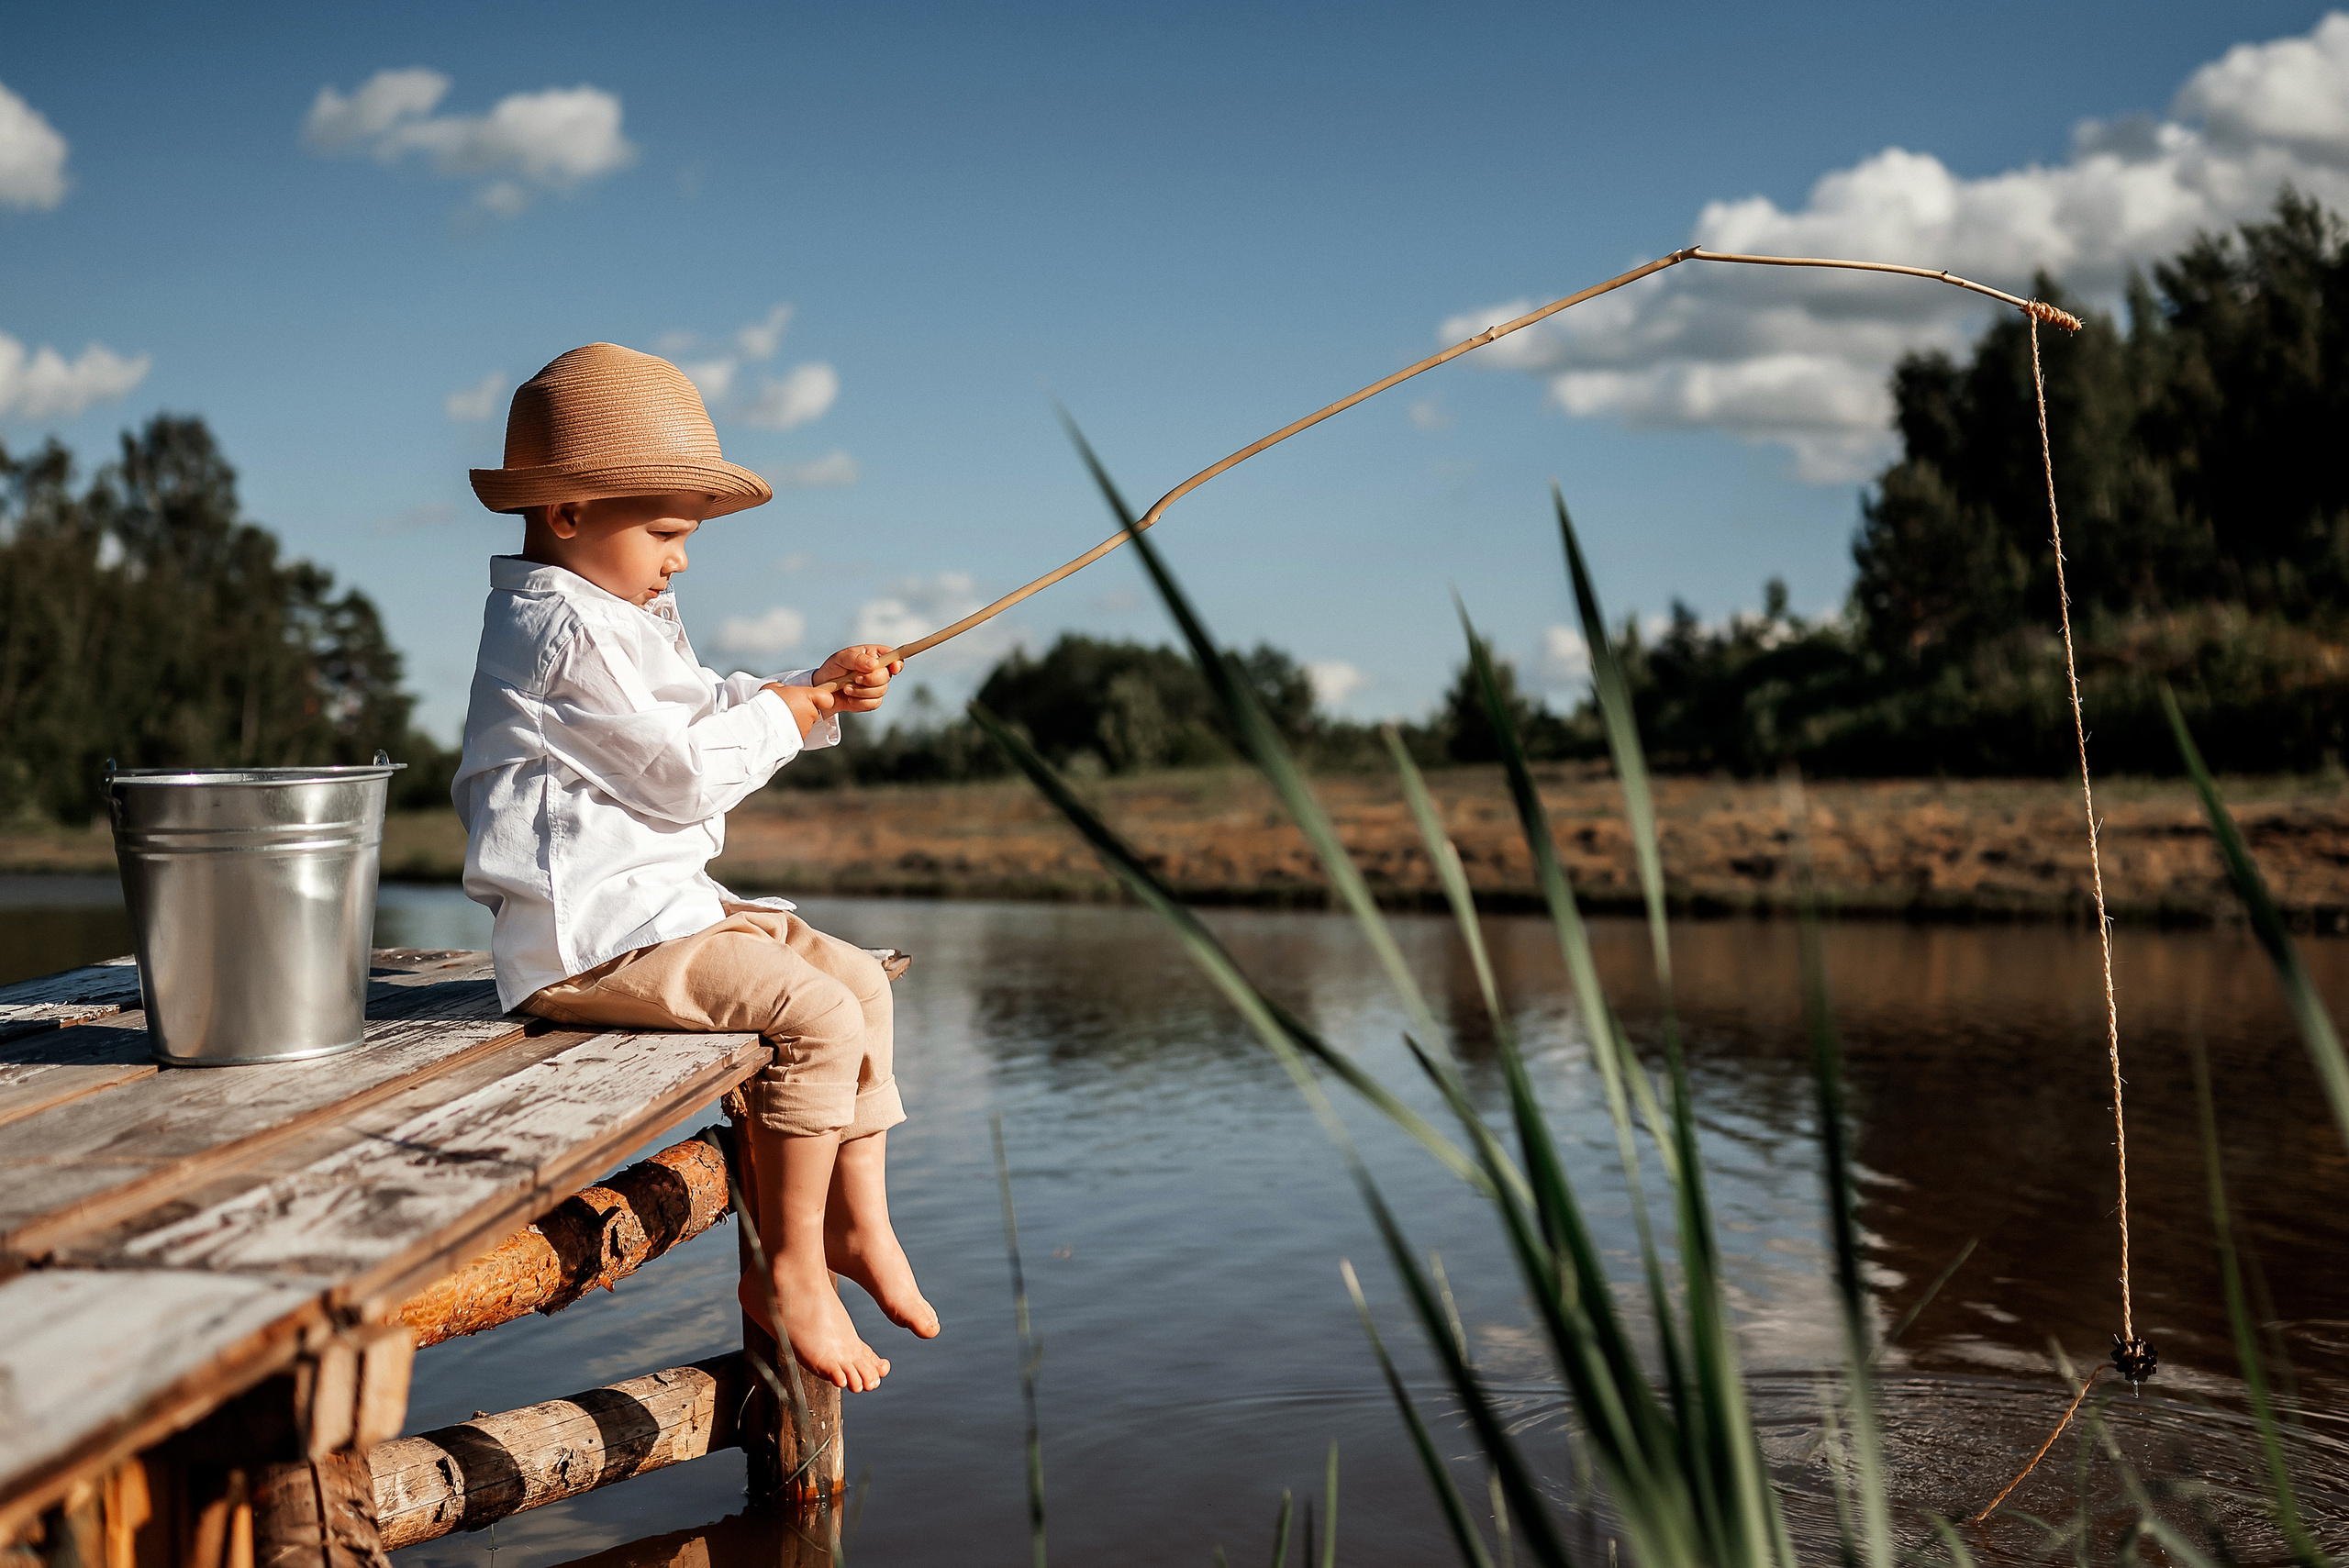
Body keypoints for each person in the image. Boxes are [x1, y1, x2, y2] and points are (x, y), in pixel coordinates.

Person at [452, 342, 935, 1392]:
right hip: (589, 941)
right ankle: (787, 1275)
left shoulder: (612, 611)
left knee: (852, 979)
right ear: (569, 512)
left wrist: (808, 686)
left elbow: (698, 714)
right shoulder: (554, 629)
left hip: (660, 913)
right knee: (817, 1020)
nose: (681, 559)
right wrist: (787, 711)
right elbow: (675, 775)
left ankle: (856, 1227)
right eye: (667, 532)